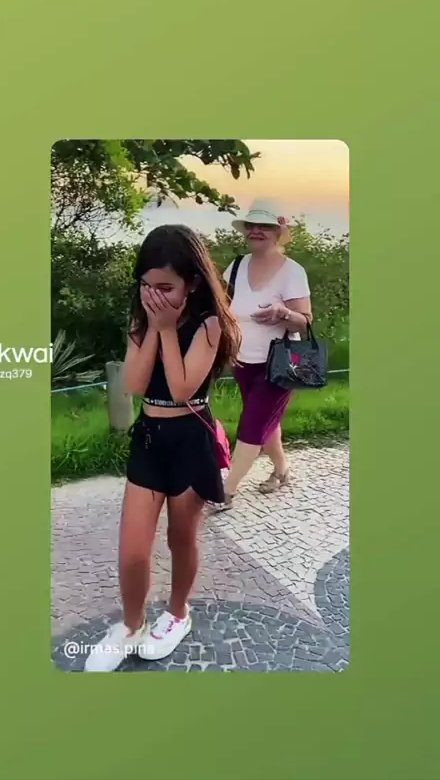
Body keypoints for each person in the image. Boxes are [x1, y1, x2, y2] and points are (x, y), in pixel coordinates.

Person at [84, 224, 240, 672]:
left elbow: (182, 387)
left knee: (180, 538)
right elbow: (134, 384)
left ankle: (177, 613)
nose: (154, 296)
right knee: (132, 549)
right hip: (150, 437)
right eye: (147, 286)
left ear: (192, 283)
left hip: (190, 437)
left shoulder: (209, 325)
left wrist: (169, 329)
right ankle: (130, 625)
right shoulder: (144, 318)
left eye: (166, 288)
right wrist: (153, 327)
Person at [221, 200, 313, 504]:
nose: (257, 231)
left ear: (278, 231)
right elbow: (223, 309)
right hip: (243, 360)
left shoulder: (292, 271)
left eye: (265, 226)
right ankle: (282, 470)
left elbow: (305, 320)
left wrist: (282, 312)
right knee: (264, 421)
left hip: (282, 362)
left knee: (252, 425)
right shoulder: (236, 267)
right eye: (252, 225)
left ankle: (226, 490)